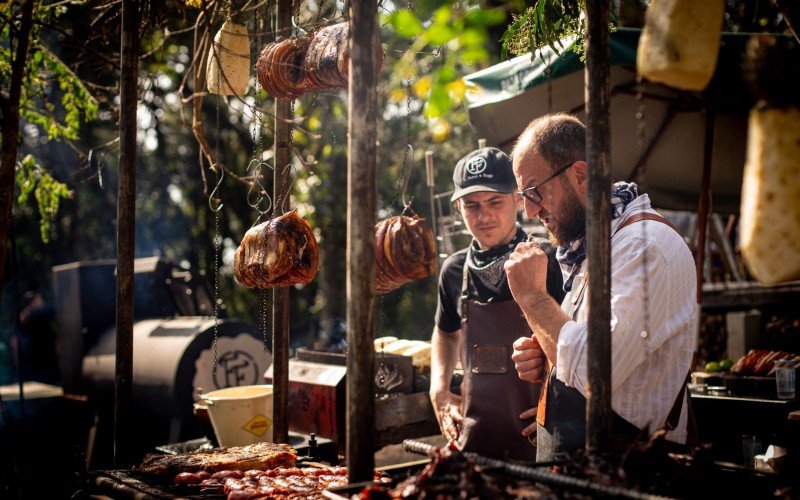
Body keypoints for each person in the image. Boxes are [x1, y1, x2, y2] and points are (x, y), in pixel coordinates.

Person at [504, 113, 696, 461]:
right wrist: (545, 357)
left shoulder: (643, 247)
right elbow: (580, 349)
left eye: (535, 192)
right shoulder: (593, 246)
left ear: (580, 175)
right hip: (581, 467)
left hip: (627, 471)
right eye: (523, 196)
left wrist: (532, 298)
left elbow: (598, 373)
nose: (531, 212)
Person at [430, 147, 565, 461]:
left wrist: (560, 403)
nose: (483, 216)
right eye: (471, 205)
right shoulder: (453, 271)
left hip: (541, 440)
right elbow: (445, 333)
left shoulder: (546, 259)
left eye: (494, 202)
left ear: (518, 199)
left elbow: (577, 341)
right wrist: (438, 388)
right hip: (477, 444)